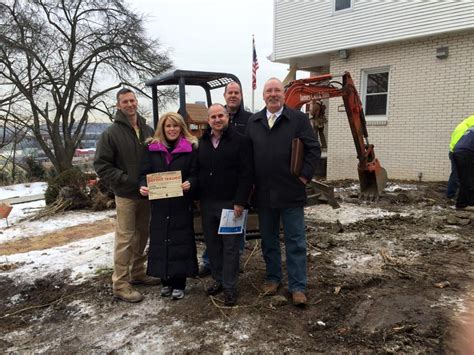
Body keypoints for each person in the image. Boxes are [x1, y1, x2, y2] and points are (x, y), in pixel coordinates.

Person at [245, 78, 320, 307]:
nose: (273, 94)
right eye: (269, 91)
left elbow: (313, 149)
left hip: (291, 192)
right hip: (265, 194)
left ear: (284, 94)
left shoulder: (297, 119)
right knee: (268, 240)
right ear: (264, 96)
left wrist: (304, 176)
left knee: (295, 241)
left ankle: (298, 286)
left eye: (277, 90)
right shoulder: (254, 121)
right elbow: (246, 156)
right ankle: (273, 278)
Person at [94, 88, 159, 303]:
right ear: (118, 105)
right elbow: (101, 166)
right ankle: (120, 284)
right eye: (125, 102)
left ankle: (138, 273)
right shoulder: (110, 133)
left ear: (136, 102)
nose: (129, 104)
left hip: (147, 194)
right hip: (126, 195)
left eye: (132, 100)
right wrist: (127, 180)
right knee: (125, 238)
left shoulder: (148, 129)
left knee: (143, 234)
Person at [139, 112, 199, 300]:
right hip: (160, 205)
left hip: (181, 205)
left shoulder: (191, 148)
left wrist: (190, 183)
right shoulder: (151, 149)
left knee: (180, 242)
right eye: (168, 126)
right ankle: (165, 280)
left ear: (181, 128)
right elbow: (144, 173)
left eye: (175, 126)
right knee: (161, 242)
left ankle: (179, 283)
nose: (172, 129)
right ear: (162, 129)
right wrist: (142, 186)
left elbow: (196, 173)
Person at [197, 103, 253, 306]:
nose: (217, 119)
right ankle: (218, 280)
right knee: (213, 246)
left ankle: (230, 287)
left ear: (227, 117)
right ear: (208, 120)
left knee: (230, 248)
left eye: (220, 115)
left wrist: (240, 201)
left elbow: (247, 174)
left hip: (231, 204)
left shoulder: (240, 141)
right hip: (208, 203)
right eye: (213, 117)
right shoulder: (202, 142)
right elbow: (198, 170)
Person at [447, 115, 474, 199]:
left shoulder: (462, 127)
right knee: (465, 177)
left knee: (456, 174)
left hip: (454, 152)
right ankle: (455, 196)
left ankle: (451, 194)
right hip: (462, 153)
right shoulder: (465, 129)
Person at [452, 124, 474, 209]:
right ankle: (462, 204)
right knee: (468, 179)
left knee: (466, 178)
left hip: (457, 151)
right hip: (466, 153)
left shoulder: (471, 128)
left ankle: (470, 202)